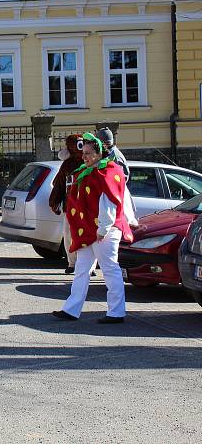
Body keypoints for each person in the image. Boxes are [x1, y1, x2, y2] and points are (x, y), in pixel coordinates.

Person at [53, 133, 136, 324]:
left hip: (103, 231)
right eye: (84, 153)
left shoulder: (108, 172)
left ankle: (116, 312)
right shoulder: (87, 171)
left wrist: (103, 230)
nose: (84, 157)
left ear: (99, 154)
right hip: (89, 230)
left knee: (109, 269)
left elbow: (110, 203)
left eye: (89, 153)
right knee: (82, 269)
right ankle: (71, 309)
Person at [49, 134, 85, 275]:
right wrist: (55, 202)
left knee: (87, 236)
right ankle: (72, 263)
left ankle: (89, 265)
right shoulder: (67, 165)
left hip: (87, 208)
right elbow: (59, 184)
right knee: (69, 234)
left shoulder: (89, 162)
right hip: (69, 207)